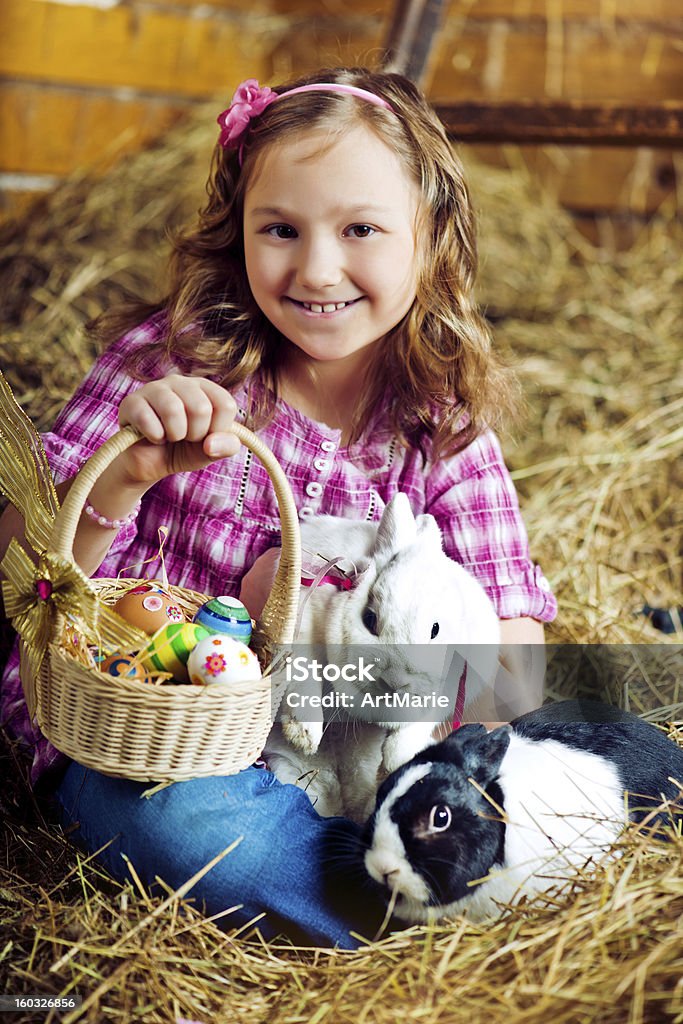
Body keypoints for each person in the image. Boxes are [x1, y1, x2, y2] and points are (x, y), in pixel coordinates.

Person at [0, 67, 557, 948]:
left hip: (355, 749)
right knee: (179, 825)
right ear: (238, 231)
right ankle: (387, 907)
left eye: (361, 229)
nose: (317, 269)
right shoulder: (166, 367)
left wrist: (454, 756)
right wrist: (127, 476)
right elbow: (21, 572)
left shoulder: (439, 423)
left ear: (431, 236)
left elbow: (514, 654)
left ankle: (385, 867)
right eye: (281, 230)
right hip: (159, 742)